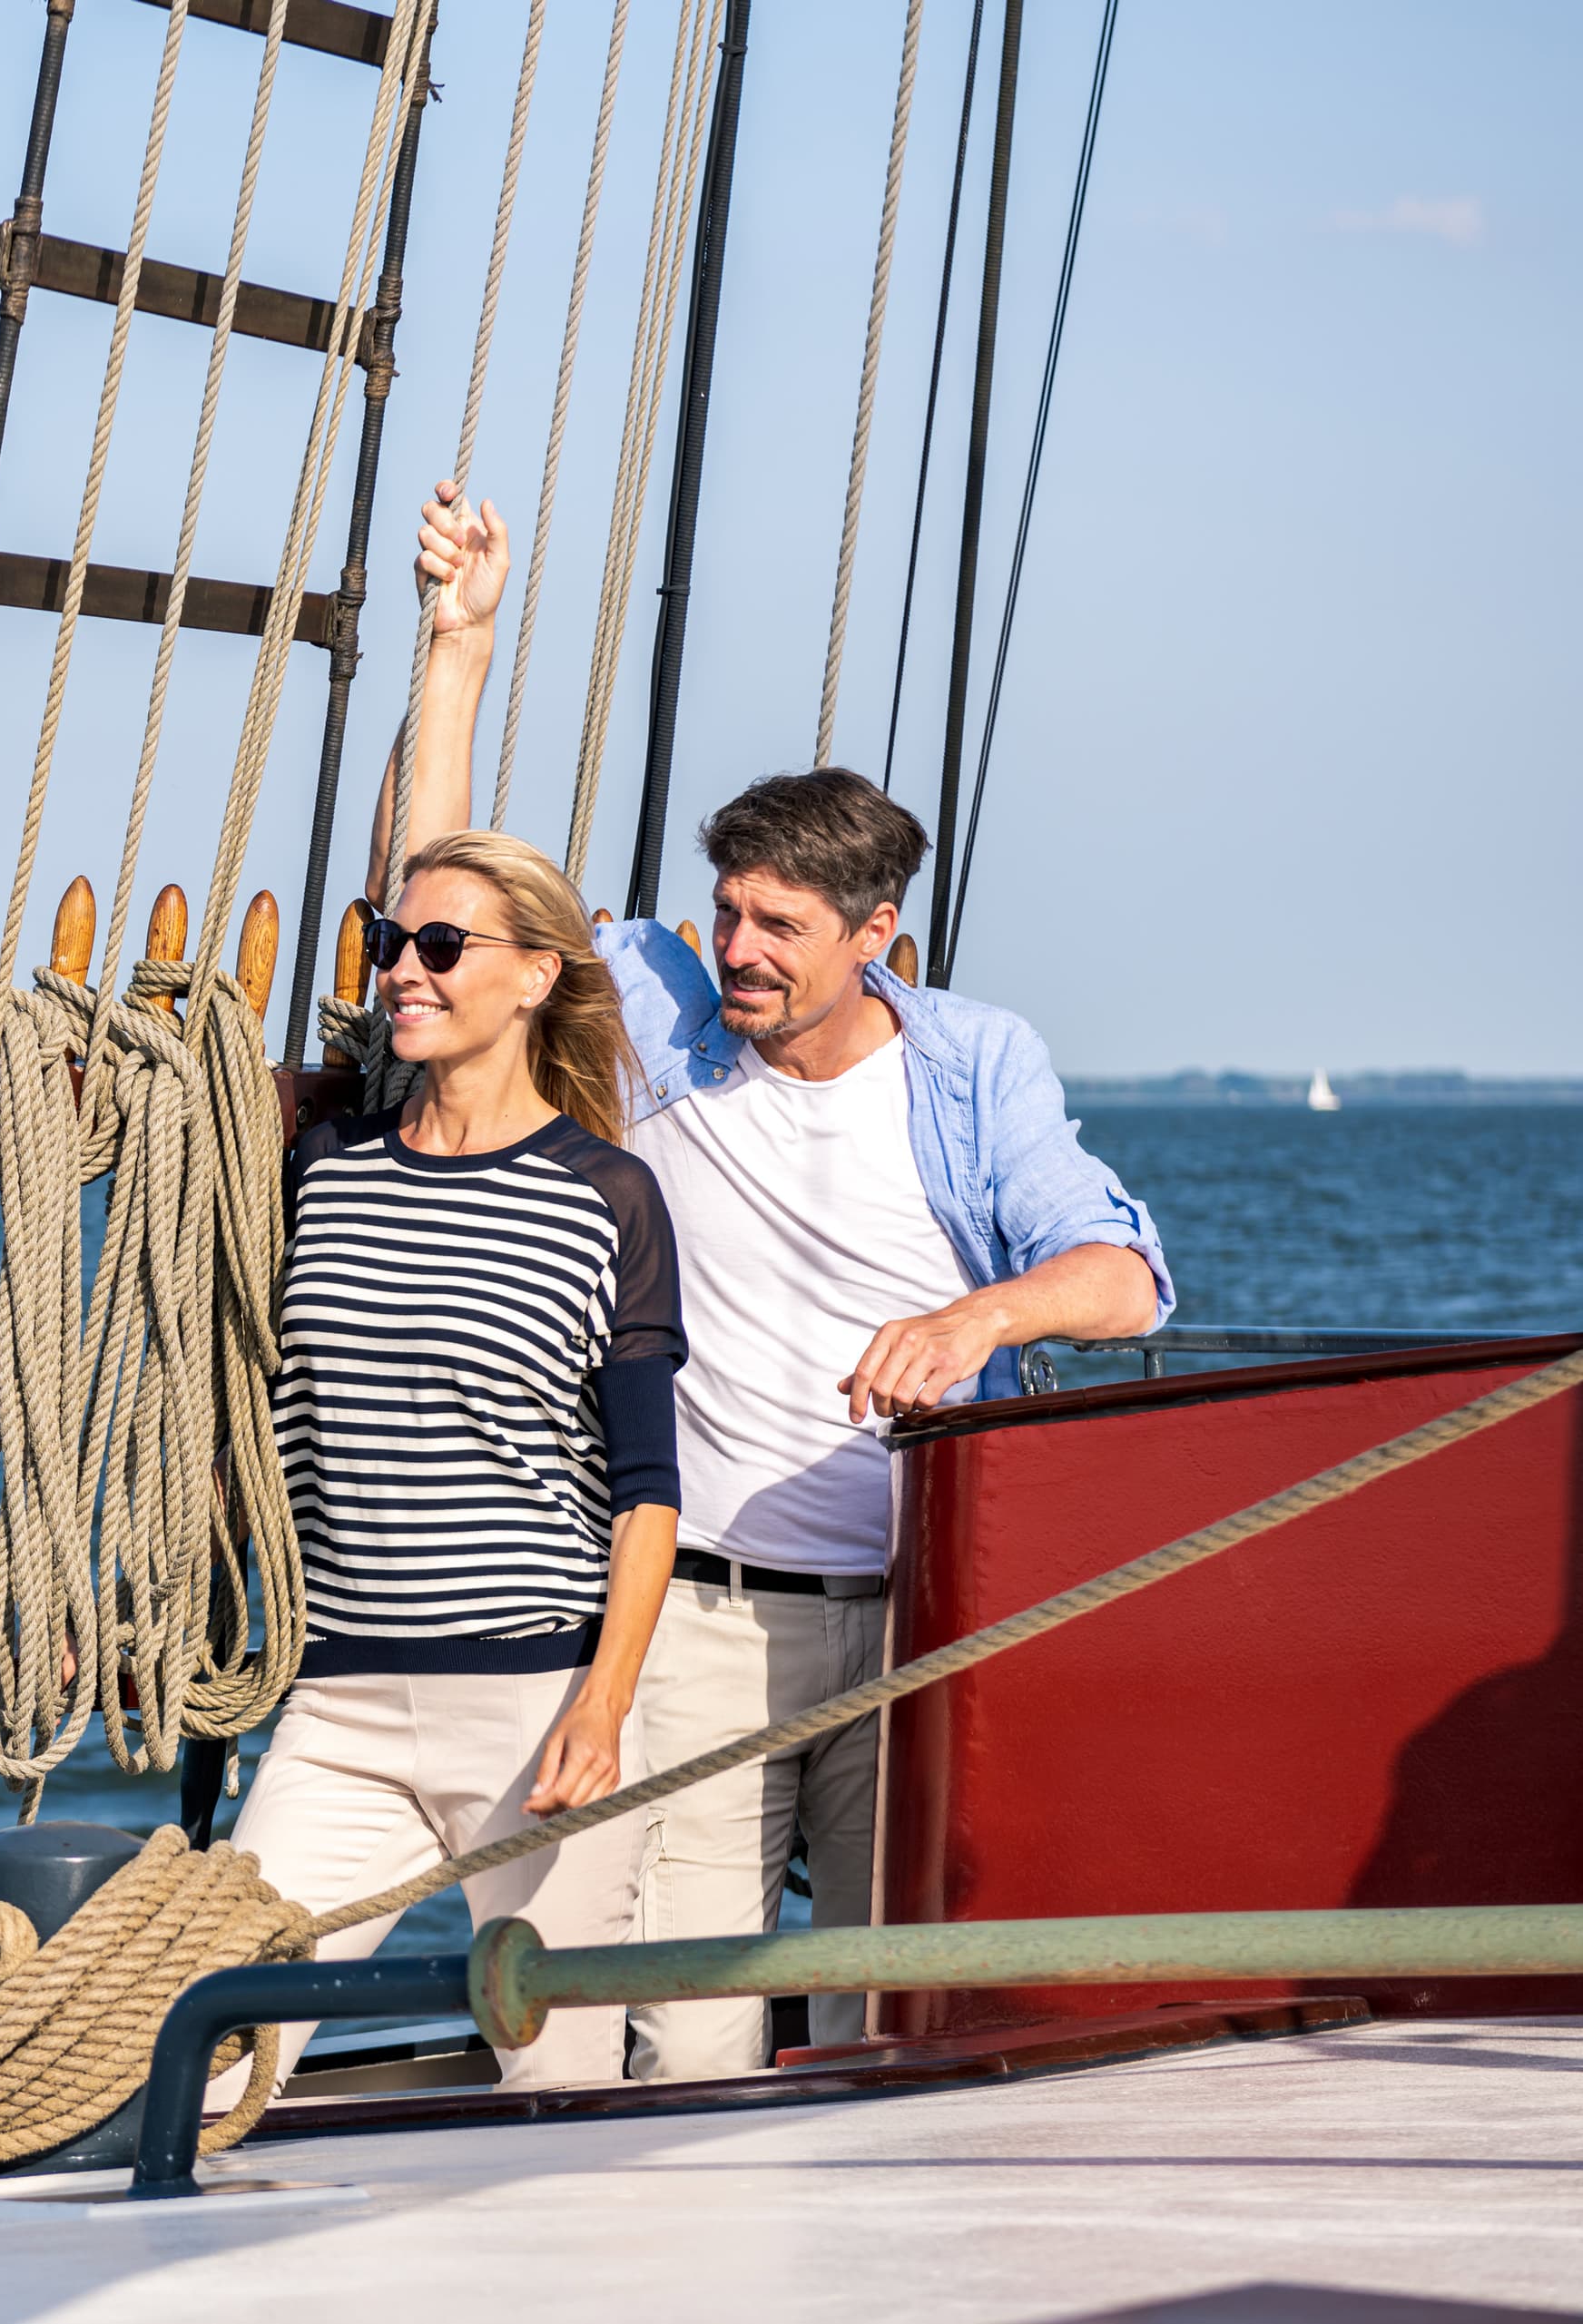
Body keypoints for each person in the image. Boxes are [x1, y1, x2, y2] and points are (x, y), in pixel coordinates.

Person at [384, 480, 1172, 2079]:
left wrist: (982, 1315)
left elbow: (1128, 1279)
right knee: (695, 2030)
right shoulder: (667, 1012)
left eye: (780, 926)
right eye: (728, 910)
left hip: (918, 1626)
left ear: (875, 933)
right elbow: (450, 905)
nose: (739, 948)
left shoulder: (972, 1066)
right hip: (698, 1617)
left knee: (900, 2009)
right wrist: (454, 650)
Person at [213, 825, 683, 2101]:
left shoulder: (609, 1198)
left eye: (439, 945)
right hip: (339, 1705)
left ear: (537, 975)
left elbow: (647, 1492)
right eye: (388, 943)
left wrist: (603, 1699)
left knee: (557, 2087)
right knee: (213, 2053)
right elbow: (248, 1417)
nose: (403, 972)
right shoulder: (324, 1168)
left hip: (538, 1710)